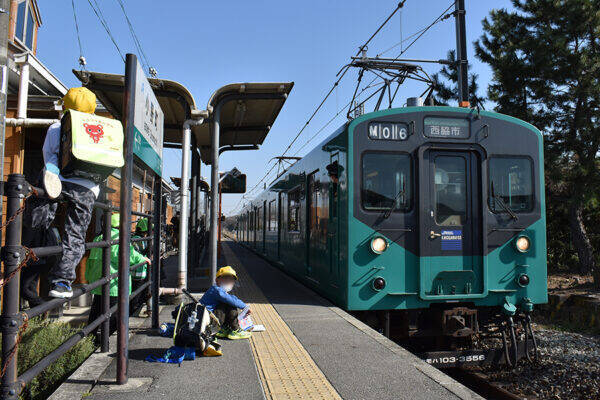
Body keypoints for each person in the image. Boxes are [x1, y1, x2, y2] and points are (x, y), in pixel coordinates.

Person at [38, 87, 100, 298]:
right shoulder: (100, 128)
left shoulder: (57, 127)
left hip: (60, 181)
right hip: (88, 187)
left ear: (65, 106)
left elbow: (48, 154)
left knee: (40, 205)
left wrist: (53, 172)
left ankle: (39, 241)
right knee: (76, 234)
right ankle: (62, 282)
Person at [85, 213, 150, 336]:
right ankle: (104, 339)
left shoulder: (98, 238)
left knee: (96, 312)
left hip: (98, 282)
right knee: (115, 315)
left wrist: (89, 278)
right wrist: (143, 259)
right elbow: (129, 256)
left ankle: (90, 337)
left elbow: (90, 261)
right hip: (114, 285)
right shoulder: (119, 238)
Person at [200, 266, 251, 340]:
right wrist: (244, 307)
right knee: (230, 304)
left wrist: (245, 307)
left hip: (210, 318)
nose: (228, 281)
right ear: (217, 280)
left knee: (228, 302)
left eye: (231, 279)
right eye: (225, 278)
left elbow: (232, 298)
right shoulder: (216, 290)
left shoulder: (218, 290)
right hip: (208, 320)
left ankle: (223, 329)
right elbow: (230, 300)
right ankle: (235, 330)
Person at [131, 217, 151, 315]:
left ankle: (135, 308)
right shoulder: (139, 240)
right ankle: (133, 310)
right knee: (136, 294)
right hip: (138, 272)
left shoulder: (137, 239)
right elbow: (142, 252)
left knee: (137, 292)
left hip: (137, 271)